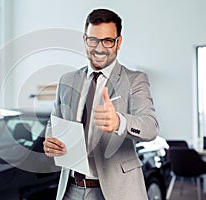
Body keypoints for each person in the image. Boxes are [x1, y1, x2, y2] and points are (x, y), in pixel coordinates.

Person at [43, 8, 158, 200]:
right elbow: (53, 123)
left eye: (107, 41)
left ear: (118, 42)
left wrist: (119, 122)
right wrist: (50, 142)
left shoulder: (135, 80)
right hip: (71, 189)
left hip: (117, 192)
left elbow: (150, 127)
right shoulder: (67, 81)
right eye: (93, 40)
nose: (99, 48)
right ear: (84, 39)